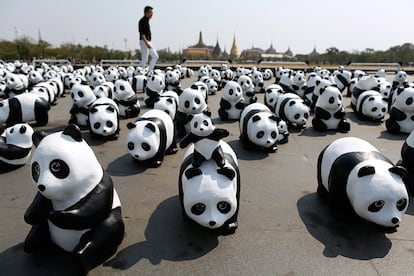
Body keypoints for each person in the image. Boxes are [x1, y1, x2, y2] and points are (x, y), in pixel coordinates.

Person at [138, 6, 158, 72]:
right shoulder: (142, 21)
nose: (152, 14)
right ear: (145, 13)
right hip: (144, 42)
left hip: (148, 42)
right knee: (144, 59)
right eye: (150, 12)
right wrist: (146, 43)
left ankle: (150, 71)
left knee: (155, 56)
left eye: (152, 12)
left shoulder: (147, 21)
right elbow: (142, 34)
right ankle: (140, 73)